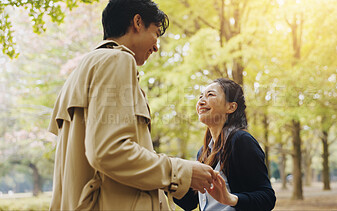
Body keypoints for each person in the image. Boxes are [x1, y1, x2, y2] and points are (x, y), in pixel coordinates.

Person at [48, 0, 216, 210]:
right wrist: (182, 172)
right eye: (155, 33)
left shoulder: (82, 71)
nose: (156, 46)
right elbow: (108, 150)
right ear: (137, 22)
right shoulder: (117, 60)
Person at [174, 78, 276, 211]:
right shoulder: (204, 152)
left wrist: (230, 199)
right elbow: (191, 203)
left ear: (231, 107)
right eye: (200, 96)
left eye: (210, 95)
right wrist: (164, 177)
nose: (201, 101)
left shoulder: (241, 141)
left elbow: (267, 198)